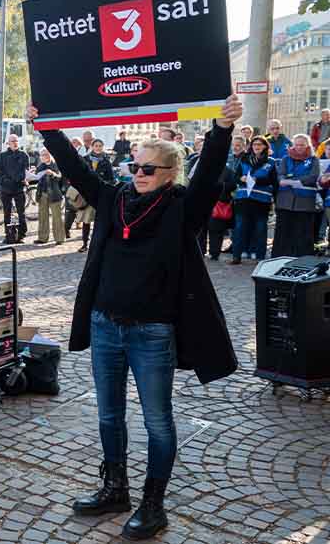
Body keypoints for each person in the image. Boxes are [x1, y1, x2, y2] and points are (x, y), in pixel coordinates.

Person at [27, 95, 242, 541]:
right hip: (106, 325)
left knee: (157, 421)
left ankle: (153, 503)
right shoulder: (113, 199)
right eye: (135, 167)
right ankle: (115, 487)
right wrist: (46, 127)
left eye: (148, 169)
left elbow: (207, 176)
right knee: (109, 416)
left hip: (152, 333)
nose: (137, 174)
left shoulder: (183, 207)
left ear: (169, 175)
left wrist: (222, 129)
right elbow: (75, 168)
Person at [271, 135, 321, 258]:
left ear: (307, 146)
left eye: (302, 145)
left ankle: (301, 256)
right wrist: (284, 180)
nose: (299, 147)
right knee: (283, 230)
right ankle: (280, 256)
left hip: (304, 202)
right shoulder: (285, 159)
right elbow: (281, 174)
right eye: (297, 145)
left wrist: (296, 180)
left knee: (302, 231)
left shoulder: (314, 160)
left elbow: (313, 176)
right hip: (285, 200)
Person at [229, 137, 277, 264]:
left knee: (260, 229)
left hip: (261, 200)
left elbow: (273, 181)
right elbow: (235, 177)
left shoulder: (271, 162)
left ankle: (260, 257)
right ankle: (236, 256)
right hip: (243, 199)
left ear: (265, 147)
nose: (257, 146)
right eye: (255, 144)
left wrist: (257, 180)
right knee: (240, 228)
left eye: (260, 145)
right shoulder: (244, 159)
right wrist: (241, 179)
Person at [205, 137, 243, 260]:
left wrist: (219, 187)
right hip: (206, 202)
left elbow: (232, 185)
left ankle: (214, 252)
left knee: (217, 230)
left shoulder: (228, 171)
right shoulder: (206, 169)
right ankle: (201, 250)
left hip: (220, 203)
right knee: (203, 229)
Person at [0, 133, 29, 243]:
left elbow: (26, 171)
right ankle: (8, 235)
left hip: (19, 188)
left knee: (21, 213)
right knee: (7, 213)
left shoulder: (24, 155)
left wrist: (21, 179)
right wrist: (7, 181)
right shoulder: (2, 156)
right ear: (8, 143)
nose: (14, 143)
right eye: (12, 141)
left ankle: (21, 234)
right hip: (6, 189)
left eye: (16, 141)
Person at [34, 148, 66, 245]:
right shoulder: (40, 166)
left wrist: (52, 174)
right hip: (42, 193)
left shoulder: (56, 164)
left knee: (57, 217)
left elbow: (60, 177)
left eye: (46, 154)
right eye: (42, 155)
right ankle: (43, 238)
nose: (44, 156)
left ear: (50, 155)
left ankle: (59, 238)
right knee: (42, 216)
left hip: (54, 194)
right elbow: (36, 178)